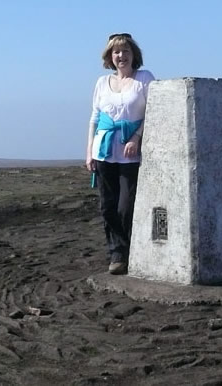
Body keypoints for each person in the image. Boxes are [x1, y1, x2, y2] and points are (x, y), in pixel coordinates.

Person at [86, 33, 155, 275]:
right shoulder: (102, 83)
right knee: (107, 206)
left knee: (126, 205)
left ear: (134, 54)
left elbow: (155, 112)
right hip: (104, 150)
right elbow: (95, 118)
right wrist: (89, 153)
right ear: (109, 56)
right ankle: (117, 254)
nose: (121, 56)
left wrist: (137, 137)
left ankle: (131, 249)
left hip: (131, 153)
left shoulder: (144, 79)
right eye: (116, 52)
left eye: (125, 51)